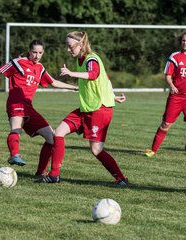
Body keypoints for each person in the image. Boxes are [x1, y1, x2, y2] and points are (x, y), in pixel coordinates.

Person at [0, 40, 78, 176]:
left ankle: (40, 173)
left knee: (51, 138)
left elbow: (53, 82)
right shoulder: (18, 62)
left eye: (40, 53)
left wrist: (75, 87)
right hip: (16, 102)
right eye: (34, 52)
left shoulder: (40, 68)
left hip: (29, 107)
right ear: (29, 51)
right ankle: (14, 155)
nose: (37, 55)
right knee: (16, 128)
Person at [40, 31, 128, 186]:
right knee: (59, 132)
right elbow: (104, 80)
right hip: (86, 108)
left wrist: (70, 73)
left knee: (96, 150)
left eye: (70, 46)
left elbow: (94, 75)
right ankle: (54, 175)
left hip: (99, 110)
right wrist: (112, 95)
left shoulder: (91, 59)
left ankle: (121, 178)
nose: (68, 50)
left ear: (80, 44)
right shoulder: (81, 60)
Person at [145, 29, 186, 157]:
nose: (185, 43)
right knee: (166, 124)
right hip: (176, 97)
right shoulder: (174, 56)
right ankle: (153, 150)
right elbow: (168, 75)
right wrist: (171, 86)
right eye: (183, 40)